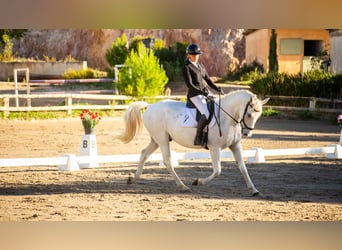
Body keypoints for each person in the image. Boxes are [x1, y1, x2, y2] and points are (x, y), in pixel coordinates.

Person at [183, 43, 224, 145]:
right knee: (206, 113)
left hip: (204, 92)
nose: (195, 57)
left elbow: (208, 79)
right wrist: (202, 93)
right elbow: (190, 85)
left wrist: (216, 88)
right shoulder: (186, 67)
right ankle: (199, 137)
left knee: (217, 105)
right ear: (189, 55)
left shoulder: (201, 66)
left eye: (197, 55)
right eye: (193, 55)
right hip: (194, 95)